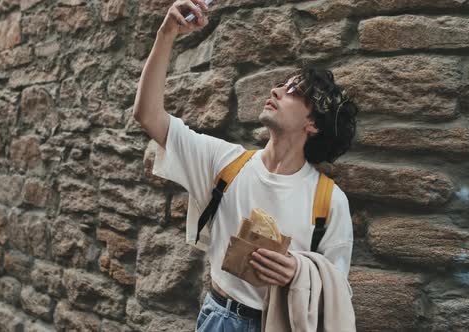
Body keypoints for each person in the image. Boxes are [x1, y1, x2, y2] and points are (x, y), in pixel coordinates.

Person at [133, 1, 359, 331]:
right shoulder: (226, 164)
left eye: (293, 90)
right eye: (282, 84)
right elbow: (148, 115)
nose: (276, 89)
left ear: (313, 123)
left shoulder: (330, 201)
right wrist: (166, 32)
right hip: (219, 318)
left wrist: (298, 272)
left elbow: (338, 288)